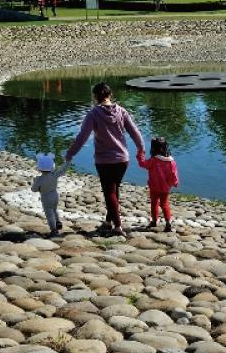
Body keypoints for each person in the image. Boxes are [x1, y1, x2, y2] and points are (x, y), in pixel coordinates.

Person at [65, 82, 144, 237]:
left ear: (95, 97)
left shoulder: (93, 114)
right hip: (123, 159)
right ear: (110, 95)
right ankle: (109, 222)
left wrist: (70, 153)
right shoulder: (122, 111)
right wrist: (141, 148)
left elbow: (82, 137)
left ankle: (118, 226)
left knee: (109, 192)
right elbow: (135, 132)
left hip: (104, 160)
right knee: (114, 190)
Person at [137, 137, 179, 232]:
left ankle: (154, 221)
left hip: (154, 186)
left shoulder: (153, 160)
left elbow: (142, 164)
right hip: (165, 188)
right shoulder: (171, 161)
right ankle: (168, 223)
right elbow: (174, 174)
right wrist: (175, 183)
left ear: (154, 149)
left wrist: (140, 154)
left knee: (154, 203)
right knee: (164, 204)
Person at [32, 153, 70, 237]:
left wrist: (35, 182)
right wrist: (67, 162)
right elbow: (62, 170)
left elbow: (33, 189)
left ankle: (54, 230)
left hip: (46, 197)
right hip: (55, 195)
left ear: (39, 167)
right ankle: (58, 222)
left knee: (49, 214)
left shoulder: (39, 179)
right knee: (54, 209)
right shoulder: (54, 175)